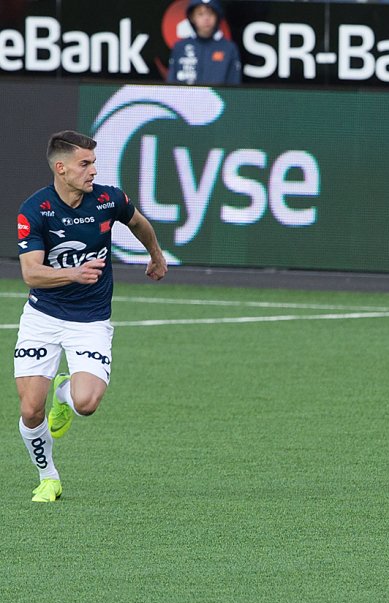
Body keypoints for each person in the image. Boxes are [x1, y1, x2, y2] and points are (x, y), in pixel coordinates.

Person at [14, 130, 168, 502]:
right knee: (31, 409)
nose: (93, 170)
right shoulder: (35, 210)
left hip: (91, 320)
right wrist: (72, 274)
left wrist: (156, 254)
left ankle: (64, 394)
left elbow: (138, 223)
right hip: (43, 318)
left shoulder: (108, 200)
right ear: (61, 168)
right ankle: (48, 477)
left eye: (94, 163)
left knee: (86, 404)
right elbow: (31, 273)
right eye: (85, 164)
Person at [166, 0, 242, 86]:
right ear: (192, 17)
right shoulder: (180, 47)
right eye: (200, 14)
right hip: (185, 98)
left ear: (217, 16)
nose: (206, 18)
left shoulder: (229, 48)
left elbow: (234, 86)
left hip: (217, 98)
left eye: (210, 13)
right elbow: (171, 84)